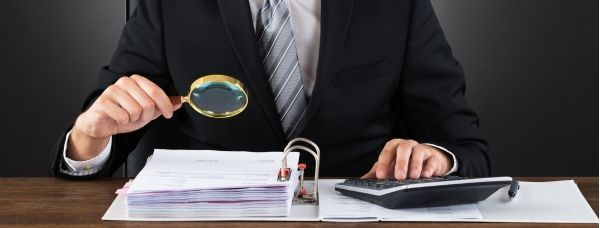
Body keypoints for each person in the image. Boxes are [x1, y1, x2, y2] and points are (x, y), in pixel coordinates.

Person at [51, 0, 490, 179]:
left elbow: (466, 146)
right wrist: (90, 137)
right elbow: (102, 139)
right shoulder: (170, 4)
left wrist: (440, 159)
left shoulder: (396, 5)